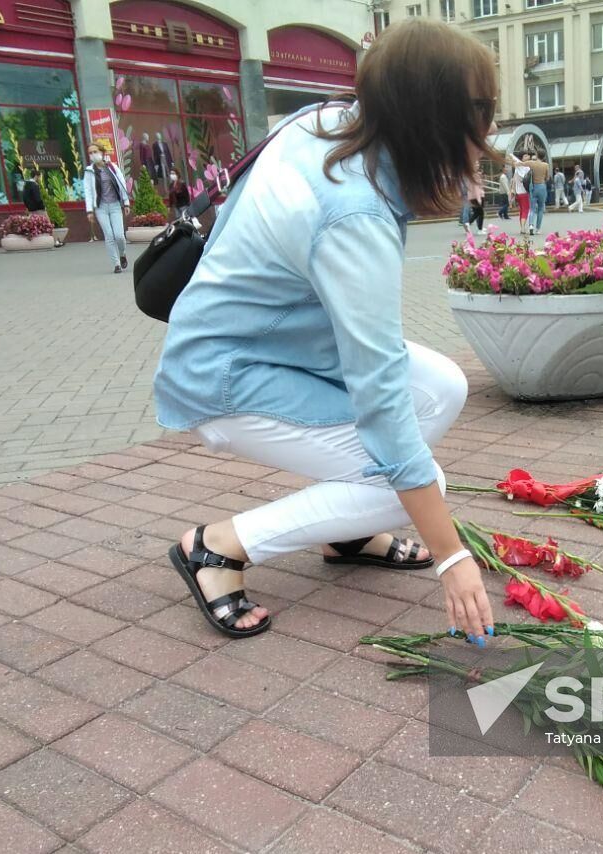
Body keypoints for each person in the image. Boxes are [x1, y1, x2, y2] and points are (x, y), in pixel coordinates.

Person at [152, 18, 495, 641]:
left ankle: (349, 530)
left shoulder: (334, 121)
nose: (490, 130)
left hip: (280, 345)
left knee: (443, 385)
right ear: (435, 117)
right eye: (483, 110)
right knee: (415, 486)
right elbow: (382, 403)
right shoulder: (353, 215)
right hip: (226, 376)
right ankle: (218, 548)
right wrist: (451, 555)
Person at [83, 143, 131, 274]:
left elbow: (122, 185)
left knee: (119, 236)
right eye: (90, 153)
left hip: (115, 205)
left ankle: (122, 254)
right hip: (100, 207)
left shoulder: (112, 167)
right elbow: (87, 191)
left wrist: (126, 203)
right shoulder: (89, 171)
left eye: (95, 151)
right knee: (109, 235)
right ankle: (116, 264)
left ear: (102, 152)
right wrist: (89, 211)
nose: (93, 155)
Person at [527, 152, 550, 235]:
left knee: (532, 209)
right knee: (540, 209)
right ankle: (538, 229)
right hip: (542, 187)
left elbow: (522, 164)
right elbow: (548, 177)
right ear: (543, 157)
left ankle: (530, 225)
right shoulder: (546, 165)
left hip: (533, 187)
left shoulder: (533, 164)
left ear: (537, 156)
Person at [512, 154, 531, 234]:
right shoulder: (527, 168)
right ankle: (523, 228)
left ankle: (522, 228)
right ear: (522, 158)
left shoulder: (517, 169)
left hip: (518, 193)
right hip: (524, 192)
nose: (528, 157)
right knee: (525, 210)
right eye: (526, 156)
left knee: (522, 210)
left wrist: (513, 190)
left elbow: (514, 180)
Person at [465, 171, 486, 235]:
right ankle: (478, 228)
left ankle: (479, 227)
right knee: (480, 213)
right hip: (477, 197)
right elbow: (476, 188)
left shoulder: (469, 175)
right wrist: (479, 199)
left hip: (472, 197)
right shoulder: (475, 176)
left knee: (477, 213)